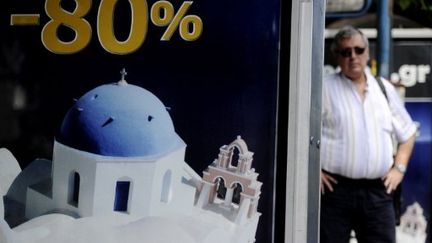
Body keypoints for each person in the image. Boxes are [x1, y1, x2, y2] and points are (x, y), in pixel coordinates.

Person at [320, 26, 417, 243]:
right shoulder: (322, 89)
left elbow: (408, 134)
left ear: (367, 53)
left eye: (358, 49)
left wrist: (398, 169)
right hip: (335, 192)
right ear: (337, 56)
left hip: (378, 192)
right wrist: (313, 170)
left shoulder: (384, 89)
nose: (353, 56)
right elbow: (301, 133)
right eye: (345, 52)